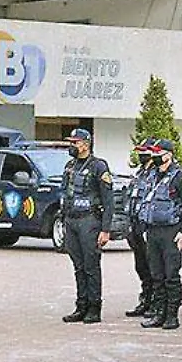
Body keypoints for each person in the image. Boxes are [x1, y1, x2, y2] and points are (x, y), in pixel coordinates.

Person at [137, 139, 182, 330]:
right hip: (153, 230)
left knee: (171, 275)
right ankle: (159, 313)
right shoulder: (152, 175)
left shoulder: (179, 177)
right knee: (157, 275)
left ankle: (172, 315)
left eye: (158, 153)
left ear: (168, 155)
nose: (154, 156)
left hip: (171, 231)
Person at [59, 129, 114, 325]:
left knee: (91, 267)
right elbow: (65, 192)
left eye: (75, 142)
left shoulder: (99, 166)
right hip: (72, 220)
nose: (71, 145)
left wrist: (105, 229)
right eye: (71, 142)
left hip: (90, 221)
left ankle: (94, 307)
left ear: (86, 144)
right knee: (78, 266)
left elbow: (108, 200)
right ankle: (81, 306)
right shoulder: (70, 166)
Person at [123, 139, 156, 318]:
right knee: (141, 266)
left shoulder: (156, 174)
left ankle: (155, 303)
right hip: (135, 224)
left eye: (144, 152)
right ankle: (145, 299)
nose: (141, 155)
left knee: (153, 267)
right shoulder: (140, 173)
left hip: (148, 226)